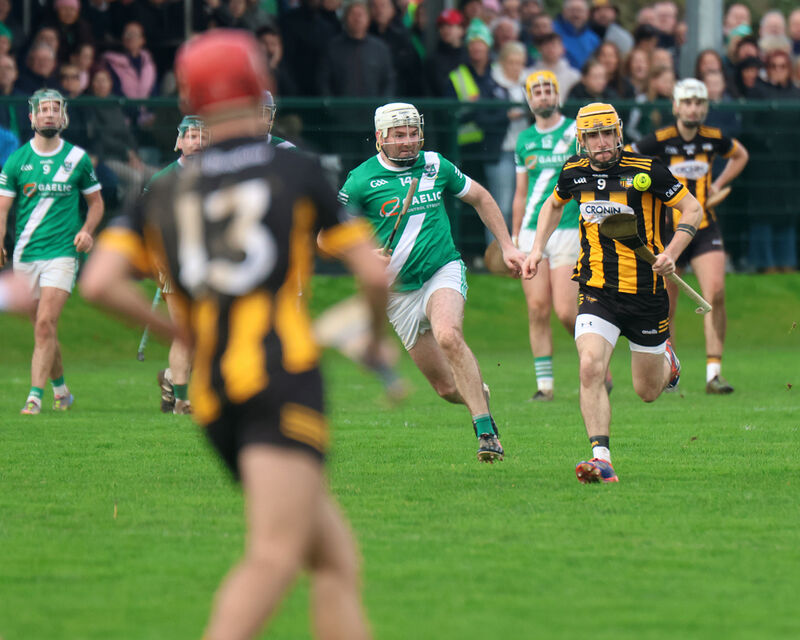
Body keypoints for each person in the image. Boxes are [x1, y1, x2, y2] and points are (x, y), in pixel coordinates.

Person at [80, 29, 387, 640]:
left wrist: (183, 326)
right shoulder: (293, 168)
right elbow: (374, 273)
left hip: (215, 392)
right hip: (279, 375)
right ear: (255, 88)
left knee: (333, 560)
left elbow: (100, 284)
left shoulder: (167, 187)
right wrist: (373, 335)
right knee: (275, 554)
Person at [522, 102, 702, 483]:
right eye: (593, 135)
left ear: (618, 134)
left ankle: (668, 360)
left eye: (607, 134)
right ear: (581, 139)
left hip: (646, 295)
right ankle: (601, 459)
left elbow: (692, 209)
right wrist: (538, 248)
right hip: (596, 289)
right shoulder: (573, 171)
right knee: (589, 366)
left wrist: (671, 253)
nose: (601, 142)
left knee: (647, 392)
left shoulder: (647, 170)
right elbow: (553, 206)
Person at [338, 102, 527, 462]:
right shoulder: (360, 180)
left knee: (448, 334)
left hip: (442, 269)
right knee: (445, 388)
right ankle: (476, 393)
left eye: (412, 133)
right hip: (397, 294)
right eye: (399, 135)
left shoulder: (436, 164)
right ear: (380, 138)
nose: (408, 141)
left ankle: (486, 433)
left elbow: (481, 197)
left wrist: (507, 247)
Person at [629, 79, 748, 394]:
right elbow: (627, 158)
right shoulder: (660, 140)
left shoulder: (713, 139)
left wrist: (718, 184)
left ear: (705, 106)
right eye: (688, 102)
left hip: (705, 226)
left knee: (716, 293)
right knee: (666, 303)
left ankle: (714, 374)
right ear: (676, 106)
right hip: (669, 232)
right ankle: (669, 370)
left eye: (699, 102)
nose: (694, 108)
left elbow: (741, 156)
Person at [0, 88, 104, 414]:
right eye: (43, 109)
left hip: (62, 253)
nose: (49, 114)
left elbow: (96, 203)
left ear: (63, 116)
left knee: (45, 323)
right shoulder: (17, 160)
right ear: (31, 116)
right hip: (25, 254)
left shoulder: (77, 159)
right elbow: (2, 208)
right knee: (43, 328)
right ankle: (62, 391)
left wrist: (87, 231)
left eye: (54, 109)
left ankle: (34, 396)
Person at [511, 71, 580, 401]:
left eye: (547, 90)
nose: (542, 95)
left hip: (568, 228)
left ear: (557, 95)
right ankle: (545, 386)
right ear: (528, 99)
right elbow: (520, 193)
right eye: (536, 91)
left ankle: (596, 364)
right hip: (530, 232)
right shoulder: (523, 140)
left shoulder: (575, 132)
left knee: (566, 310)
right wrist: (513, 236)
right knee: (537, 308)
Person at [143, 115, 209, 415]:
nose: (196, 142)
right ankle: (183, 400)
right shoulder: (163, 179)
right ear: (179, 142)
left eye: (201, 136)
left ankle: (171, 378)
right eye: (190, 137)